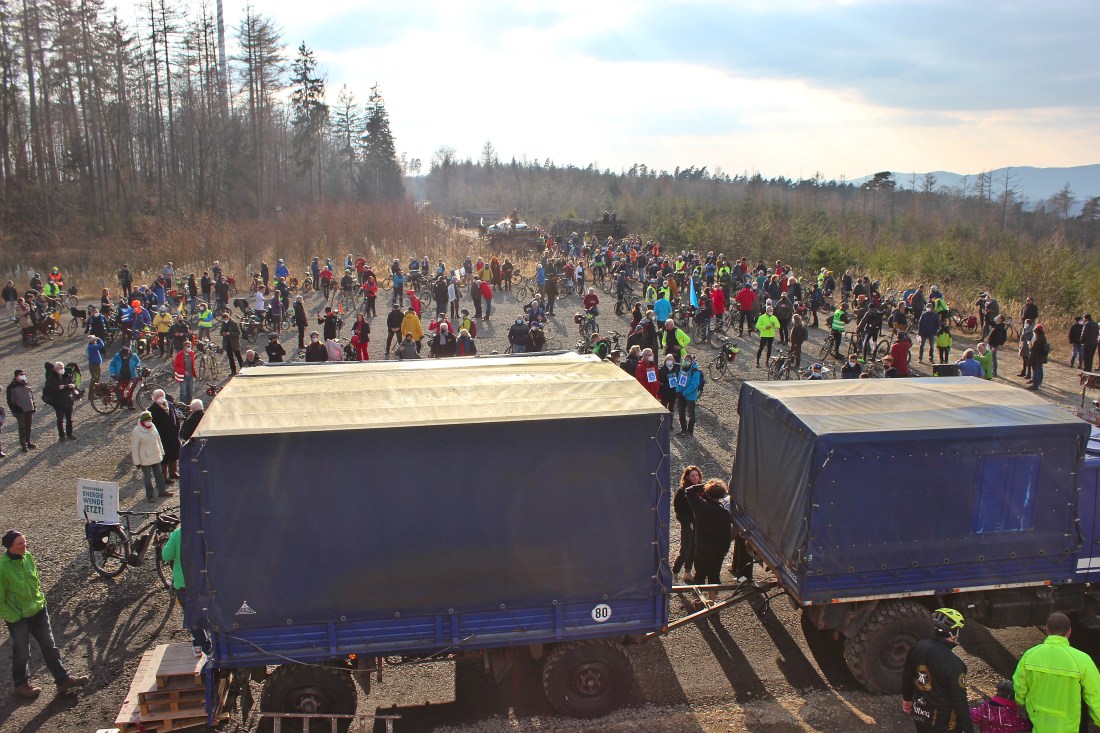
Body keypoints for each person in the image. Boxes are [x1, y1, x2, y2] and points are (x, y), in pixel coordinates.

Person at [0, 530, 88, 698]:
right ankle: (21, 685)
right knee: (22, 651)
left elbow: (36, 580)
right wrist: (14, 617)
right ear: (10, 547)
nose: (24, 546)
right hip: (19, 618)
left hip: (38, 610)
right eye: (20, 544)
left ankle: (63, 680)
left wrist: (41, 600)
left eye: (25, 542)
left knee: (49, 646)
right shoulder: (2, 568)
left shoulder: (28, 557)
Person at [1015, 611, 1100, 733]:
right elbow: (1095, 694)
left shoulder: (1030, 655)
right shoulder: (1082, 659)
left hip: (1038, 719)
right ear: (1069, 632)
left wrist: (1021, 701)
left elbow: (1019, 685)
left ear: (1047, 629)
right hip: (1070, 725)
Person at [902, 608, 972, 733]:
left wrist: (907, 699)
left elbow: (907, 676)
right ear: (953, 633)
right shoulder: (954, 663)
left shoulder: (917, 647)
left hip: (919, 715)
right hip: (942, 722)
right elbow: (959, 700)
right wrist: (969, 729)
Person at [160, 525, 210, 656]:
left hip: (184, 585)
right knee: (207, 613)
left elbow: (166, 555)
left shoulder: (178, 533)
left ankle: (204, 647)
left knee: (192, 616)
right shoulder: (208, 529)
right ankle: (199, 644)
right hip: (206, 583)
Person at [685, 480, 732, 603]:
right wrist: (726, 549)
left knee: (700, 573)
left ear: (707, 492)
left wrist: (705, 485)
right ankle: (712, 600)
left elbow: (689, 490)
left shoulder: (700, 506)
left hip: (701, 547)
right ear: (722, 495)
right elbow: (727, 534)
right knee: (714, 575)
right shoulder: (724, 513)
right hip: (717, 551)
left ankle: (699, 599)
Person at [671, 466, 702, 583]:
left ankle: (688, 571)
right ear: (687, 477)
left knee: (694, 548)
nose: (695, 478)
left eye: (697, 475)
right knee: (685, 549)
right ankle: (675, 572)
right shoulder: (682, 491)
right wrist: (687, 522)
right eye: (693, 476)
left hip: (698, 524)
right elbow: (678, 510)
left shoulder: (701, 489)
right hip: (687, 524)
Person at [132, 410, 171, 501]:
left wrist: (162, 452)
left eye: (150, 419)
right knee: (147, 478)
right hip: (145, 459)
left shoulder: (153, 427)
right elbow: (134, 448)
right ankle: (150, 495)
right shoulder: (136, 432)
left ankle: (162, 491)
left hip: (155, 456)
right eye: (147, 420)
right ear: (142, 421)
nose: (149, 421)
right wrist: (137, 462)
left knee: (159, 475)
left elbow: (158, 440)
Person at [150, 389, 181, 484]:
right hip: (162, 436)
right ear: (155, 399)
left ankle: (173, 472)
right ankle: (164, 477)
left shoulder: (170, 405)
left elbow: (176, 418)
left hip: (173, 434)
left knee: (175, 453)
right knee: (164, 458)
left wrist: (177, 428)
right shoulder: (152, 410)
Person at [42, 361, 77, 442]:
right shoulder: (51, 379)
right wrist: (58, 388)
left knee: (69, 419)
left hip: (68, 400)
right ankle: (61, 435)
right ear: (55, 369)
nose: (62, 370)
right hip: (58, 402)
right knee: (60, 419)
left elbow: (72, 384)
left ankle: (69, 433)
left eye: (63, 368)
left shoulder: (66, 376)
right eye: (60, 368)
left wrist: (72, 386)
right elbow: (47, 390)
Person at [6, 370, 36, 452]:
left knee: (28, 426)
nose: (23, 375)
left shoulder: (26, 384)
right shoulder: (11, 387)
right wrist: (14, 410)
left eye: (24, 374)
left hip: (29, 408)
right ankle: (23, 444)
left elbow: (31, 396)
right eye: (21, 374)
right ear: (16, 376)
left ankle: (28, 441)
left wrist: (33, 405)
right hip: (20, 410)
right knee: (22, 428)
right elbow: (9, 400)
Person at [675, 354, 704, 436]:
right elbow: (678, 380)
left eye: (688, 360)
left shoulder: (695, 372)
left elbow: (693, 385)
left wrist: (684, 393)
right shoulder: (682, 369)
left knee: (691, 414)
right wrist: (677, 390)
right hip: (681, 394)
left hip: (690, 396)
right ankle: (683, 429)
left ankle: (690, 430)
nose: (686, 361)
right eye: (685, 360)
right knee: (681, 413)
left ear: (692, 361)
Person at [1027, 325, 1049, 391]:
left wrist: (1030, 345)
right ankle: (1039, 382)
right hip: (1040, 357)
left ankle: (1035, 385)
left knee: (1035, 371)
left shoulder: (1038, 340)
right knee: (1039, 369)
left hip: (1036, 357)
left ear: (1037, 332)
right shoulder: (1043, 338)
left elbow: (1034, 349)